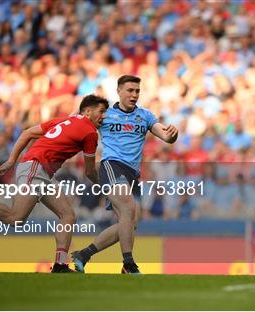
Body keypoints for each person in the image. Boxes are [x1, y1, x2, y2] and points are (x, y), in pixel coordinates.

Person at [0, 95, 109, 272]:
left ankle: (60, 265)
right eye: (101, 111)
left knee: (68, 215)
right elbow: (89, 171)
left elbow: (27, 133)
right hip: (36, 168)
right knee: (16, 218)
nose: (104, 116)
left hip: (40, 169)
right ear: (87, 111)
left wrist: (12, 160)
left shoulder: (65, 120)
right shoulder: (90, 132)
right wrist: (106, 187)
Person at [71, 75, 178, 274]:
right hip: (112, 165)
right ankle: (128, 264)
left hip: (132, 173)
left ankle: (84, 255)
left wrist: (173, 134)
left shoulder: (145, 116)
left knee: (130, 222)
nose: (134, 95)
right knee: (129, 208)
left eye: (137, 91)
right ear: (119, 91)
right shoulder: (105, 114)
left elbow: (166, 136)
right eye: (130, 90)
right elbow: (77, 120)